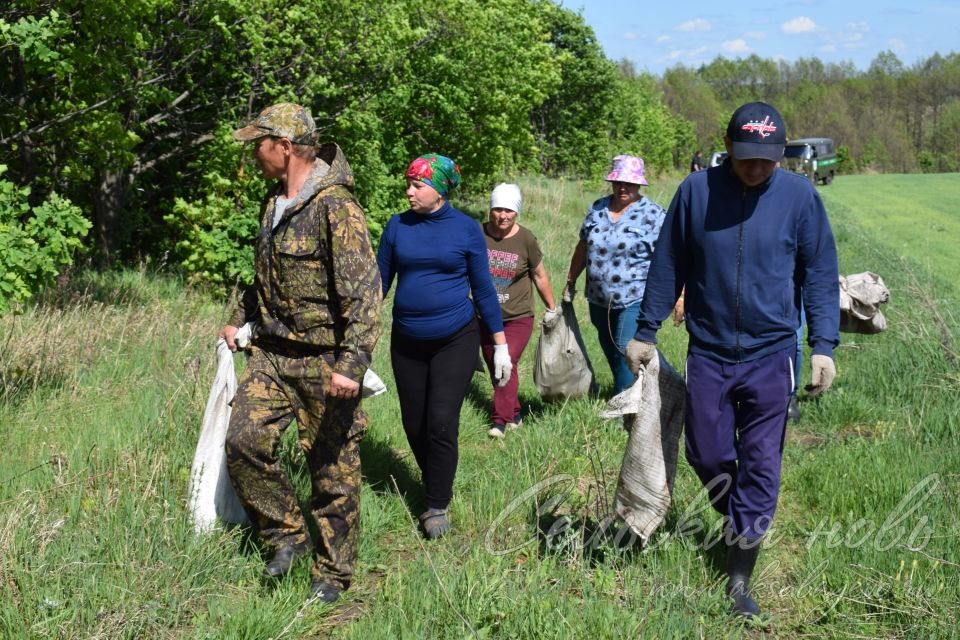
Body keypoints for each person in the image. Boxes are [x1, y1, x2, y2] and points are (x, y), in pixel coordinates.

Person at [627, 101, 839, 618]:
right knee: (707, 452)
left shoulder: (799, 198)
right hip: (710, 350)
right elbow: (669, 260)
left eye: (767, 159)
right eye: (747, 157)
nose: (756, 168)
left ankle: (739, 571)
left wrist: (823, 346)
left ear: (780, 154)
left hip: (771, 354)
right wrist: (647, 328)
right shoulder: (696, 193)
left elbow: (818, 271)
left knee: (762, 462)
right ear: (728, 148)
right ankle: (740, 513)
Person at [220, 102, 382, 605]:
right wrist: (239, 316)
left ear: (284, 147)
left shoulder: (337, 208)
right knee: (243, 442)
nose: (254, 156)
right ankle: (286, 536)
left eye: (259, 145)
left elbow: (365, 295)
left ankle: (333, 573)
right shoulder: (273, 204)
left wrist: (351, 365)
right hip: (271, 354)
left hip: (324, 360)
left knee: (332, 470)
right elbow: (264, 277)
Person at [376, 153, 511, 539]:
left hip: (455, 338)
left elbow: (483, 288)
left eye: (417, 185)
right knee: (413, 424)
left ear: (439, 189)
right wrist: (357, 338)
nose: (409, 191)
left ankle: (436, 503)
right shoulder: (397, 226)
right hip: (407, 340)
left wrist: (499, 344)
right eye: (409, 183)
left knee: (440, 421)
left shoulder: (465, 229)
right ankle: (432, 476)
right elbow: (378, 286)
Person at [565, 154, 666, 395]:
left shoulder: (653, 214)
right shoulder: (597, 208)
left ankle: (624, 407)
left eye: (629, 183)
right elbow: (583, 246)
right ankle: (645, 386)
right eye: (618, 182)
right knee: (609, 346)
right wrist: (571, 279)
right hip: (598, 297)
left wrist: (680, 294)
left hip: (634, 295)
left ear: (639, 184)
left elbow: (668, 257)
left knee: (624, 347)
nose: (623, 187)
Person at [480, 183, 558, 439]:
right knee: (495, 364)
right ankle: (514, 412)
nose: (503, 216)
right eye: (498, 209)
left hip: (518, 316)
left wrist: (552, 308)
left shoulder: (526, 239)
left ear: (517, 212)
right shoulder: (478, 234)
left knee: (507, 360)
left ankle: (499, 421)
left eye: (508, 211)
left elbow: (539, 274)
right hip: (486, 317)